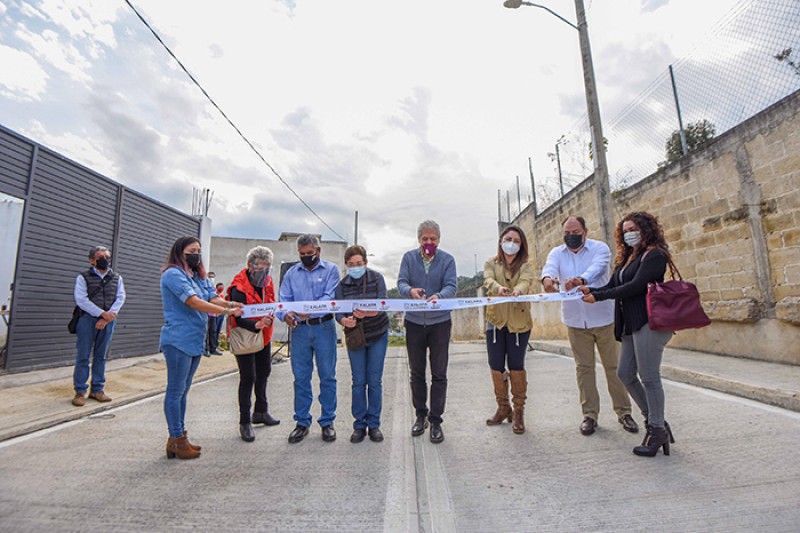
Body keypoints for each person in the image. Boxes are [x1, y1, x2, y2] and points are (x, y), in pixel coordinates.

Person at [580, 211, 675, 457]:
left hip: (649, 322)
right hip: (630, 325)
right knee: (625, 373)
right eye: (625, 230)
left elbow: (636, 287)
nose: (628, 233)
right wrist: (589, 288)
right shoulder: (628, 258)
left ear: (645, 228)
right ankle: (656, 422)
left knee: (650, 377)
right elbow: (613, 285)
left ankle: (655, 428)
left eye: (633, 228)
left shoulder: (655, 255)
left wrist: (598, 296)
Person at [541, 216, 637, 436]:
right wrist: (547, 279)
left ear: (585, 231)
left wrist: (580, 280)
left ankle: (624, 412)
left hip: (604, 319)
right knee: (584, 369)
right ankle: (589, 415)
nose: (571, 236)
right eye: (566, 233)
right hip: (575, 321)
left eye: (575, 232)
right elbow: (550, 268)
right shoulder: (557, 253)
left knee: (614, 368)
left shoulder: (599, 249)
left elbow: (598, 268)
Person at [159, 236, 242, 459]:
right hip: (178, 340)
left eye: (198, 250)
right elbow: (193, 301)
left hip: (194, 341)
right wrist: (227, 312)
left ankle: (178, 437)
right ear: (180, 252)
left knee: (184, 391)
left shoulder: (198, 276)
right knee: (175, 391)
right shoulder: (173, 275)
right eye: (191, 250)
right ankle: (176, 438)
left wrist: (232, 304)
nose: (196, 254)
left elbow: (212, 298)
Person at [397, 220, 457, 443]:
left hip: (440, 323)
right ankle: (420, 415)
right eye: (425, 239)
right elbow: (401, 282)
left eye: (433, 239)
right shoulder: (409, 258)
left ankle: (436, 420)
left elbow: (452, 285)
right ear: (419, 239)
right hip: (414, 322)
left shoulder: (447, 260)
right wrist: (410, 291)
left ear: (439, 240)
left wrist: (439, 296)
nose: (429, 242)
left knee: (439, 373)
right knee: (417, 372)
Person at [278, 234, 340, 444]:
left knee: (327, 376)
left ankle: (327, 421)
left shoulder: (331, 270)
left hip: (323, 327)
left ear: (318, 251)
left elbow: (329, 297)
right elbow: (284, 300)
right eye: (302, 254)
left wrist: (308, 311)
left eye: (310, 254)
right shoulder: (291, 274)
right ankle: (302, 422)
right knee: (301, 378)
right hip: (299, 331)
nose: (306, 257)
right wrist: (286, 315)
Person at [335, 245, 390, 444]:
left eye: (359, 264)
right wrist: (344, 321)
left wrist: (366, 313)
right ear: (346, 266)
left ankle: (374, 424)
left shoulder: (377, 279)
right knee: (358, 382)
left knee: (374, 381)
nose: (355, 267)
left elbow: (384, 304)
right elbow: (338, 311)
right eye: (351, 265)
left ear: (365, 263)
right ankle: (359, 425)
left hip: (378, 334)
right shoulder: (342, 286)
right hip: (355, 337)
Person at [483, 225, 534, 434]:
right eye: (508, 239)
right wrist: (498, 288)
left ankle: (519, 411)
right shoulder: (491, 263)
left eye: (516, 240)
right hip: (495, 321)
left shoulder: (526, 265)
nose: (511, 243)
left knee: (516, 365)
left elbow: (526, 282)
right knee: (495, 365)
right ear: (501, 241)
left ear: (521, 245)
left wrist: (517, 291)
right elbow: (488, 279)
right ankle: (503, 407)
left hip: (519, 323)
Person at [227, 246, 280, 442]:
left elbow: (272, 303)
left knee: (264, 372)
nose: (264, 271)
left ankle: (261, 411)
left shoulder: (268, 283)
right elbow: (238, 317)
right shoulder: (237, 287)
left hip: (263, 335)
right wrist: (255, 324)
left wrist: (268, 319)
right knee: (248, 376)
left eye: (268, 267)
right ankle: (244, 421)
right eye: (261, 267)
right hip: (245, 335)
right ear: (251, 266)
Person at [72, 246, 126, 407]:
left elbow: (120, 297)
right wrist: (102, 314)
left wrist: (109, 316)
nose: (104, 260)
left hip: (109, 320)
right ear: (91, 260)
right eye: (100, 257)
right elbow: (81, 300)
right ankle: (80, 391)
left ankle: (97, 389)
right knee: (83, 356)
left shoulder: (116, 278)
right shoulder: (83, 277)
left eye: (106, 257)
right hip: (87, 320)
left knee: (101, 356)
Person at [206, 271, 224, 356]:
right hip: (206, 313)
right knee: (206, 332)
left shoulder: (213, 289)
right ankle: (206, 349)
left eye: (213, 277)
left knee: (213, 331)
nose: (211, 279)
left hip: (213, 314)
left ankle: (213, 348)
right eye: (210, 277)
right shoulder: (205, 287)